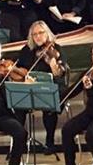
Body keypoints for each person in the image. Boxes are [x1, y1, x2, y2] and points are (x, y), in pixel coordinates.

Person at [16, 21, 69, 151]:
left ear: (47, 33)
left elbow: (60, 74)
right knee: (18, 106)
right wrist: (25, 78)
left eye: (41, 33)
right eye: (34, 34)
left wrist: (53, 64)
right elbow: (22, 69)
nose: (38, 37)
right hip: (31, 88)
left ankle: (49, 142)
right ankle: (19, 143)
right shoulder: (27, 50)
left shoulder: (56, 49)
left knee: (48, 108)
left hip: (50, 89)